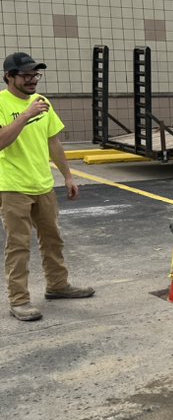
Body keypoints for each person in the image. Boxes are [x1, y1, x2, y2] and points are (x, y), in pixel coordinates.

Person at [0, 52, 94, 321]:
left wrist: (67, 176)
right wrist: (26, 114)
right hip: (12, 186)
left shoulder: (43, 102)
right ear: (9, 76)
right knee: (18, 245)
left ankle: (57, 285)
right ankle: (19, 300)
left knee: (52, 239)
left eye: (35, 74)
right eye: (26, 75)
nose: (32, 80)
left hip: (43, 183)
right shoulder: (2, 103)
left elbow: (53, 141)